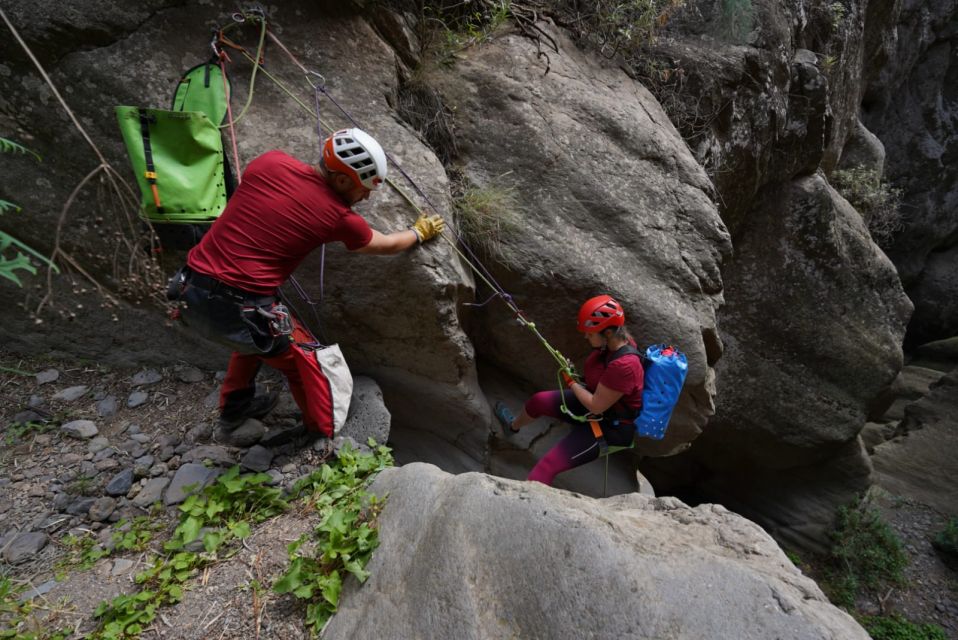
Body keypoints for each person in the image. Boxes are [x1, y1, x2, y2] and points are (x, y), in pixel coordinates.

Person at [171, 127, 444, 445]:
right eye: (364, 188)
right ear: (342, 180)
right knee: (304, 365)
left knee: (255, 340)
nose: (366, 197)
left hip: (188, 292)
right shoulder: (340, 218)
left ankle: (234, 411)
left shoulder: (268, 162)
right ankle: (321, 435)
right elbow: (383, 244)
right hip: (240, 310)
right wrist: (418, 232)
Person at [494, 295, 644, 486]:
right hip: (600, 406)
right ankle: (512, 426)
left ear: (607, 333)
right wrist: (577, 378)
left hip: (610, 427)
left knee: (546, 467)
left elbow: (596, 406)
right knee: (539, 401)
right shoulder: (613, 344)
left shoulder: (625, 365)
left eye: (590, 333)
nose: (586, 336)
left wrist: (570, 382)